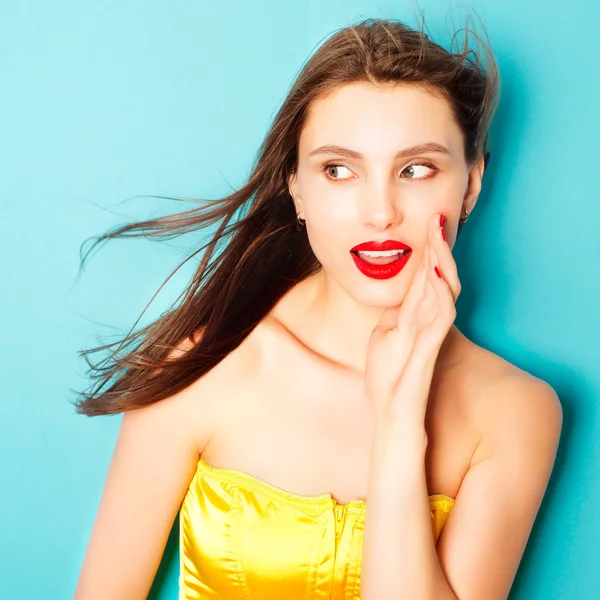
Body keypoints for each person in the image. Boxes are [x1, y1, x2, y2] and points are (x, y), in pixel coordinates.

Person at [73, 16, 562, 600]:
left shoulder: (516, 413)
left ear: (471, 184)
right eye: (339, 170)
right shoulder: (204, 365)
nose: (379, 212)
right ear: (298, 189)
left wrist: (399, 422)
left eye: (416, 169)